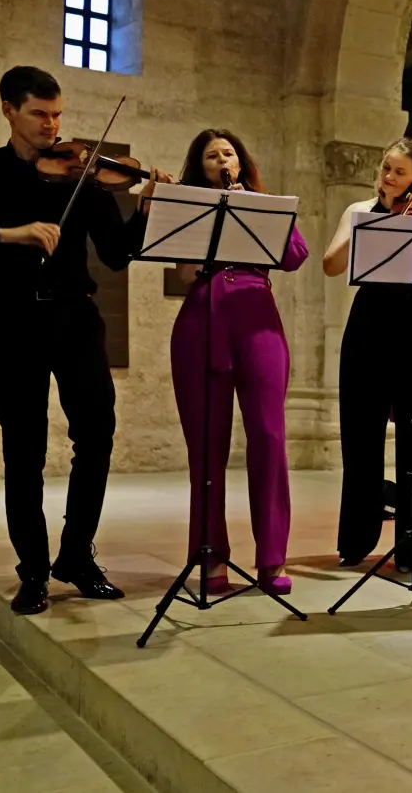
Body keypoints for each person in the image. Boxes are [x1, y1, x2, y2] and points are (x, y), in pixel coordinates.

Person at [0, 66, 155, 614]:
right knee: (24, 449)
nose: (52, 126)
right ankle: (33, 571)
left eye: (57, 114)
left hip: (77, 319)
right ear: (9, 109)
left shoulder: (81, 175)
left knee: (97, 435)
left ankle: (75, 555)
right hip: (15, 322)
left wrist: (148, 206)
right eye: (39, 114)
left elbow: (118, 254)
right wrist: (7, 234)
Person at [164, 129, 307, 595]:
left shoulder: (263, 203)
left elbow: (295, 257)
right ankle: (209, 557)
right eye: (211, 155)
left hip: (257, 320)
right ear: (199, 167)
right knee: (206, 445)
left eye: (228, 152)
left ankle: (271, 559)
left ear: (240, 162)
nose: (221, 159)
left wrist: (253, 211)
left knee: (268, 436)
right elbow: (182, 274)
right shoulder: (190, 210)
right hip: (201, 321)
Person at [322, 138, 412, 572]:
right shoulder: (359, 210)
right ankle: (358, 536)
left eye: (400, 172)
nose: (389, 178)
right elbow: (331, 264)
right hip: (369, 326)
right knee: (361, 434)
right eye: (387, 168)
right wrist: (370, 229)